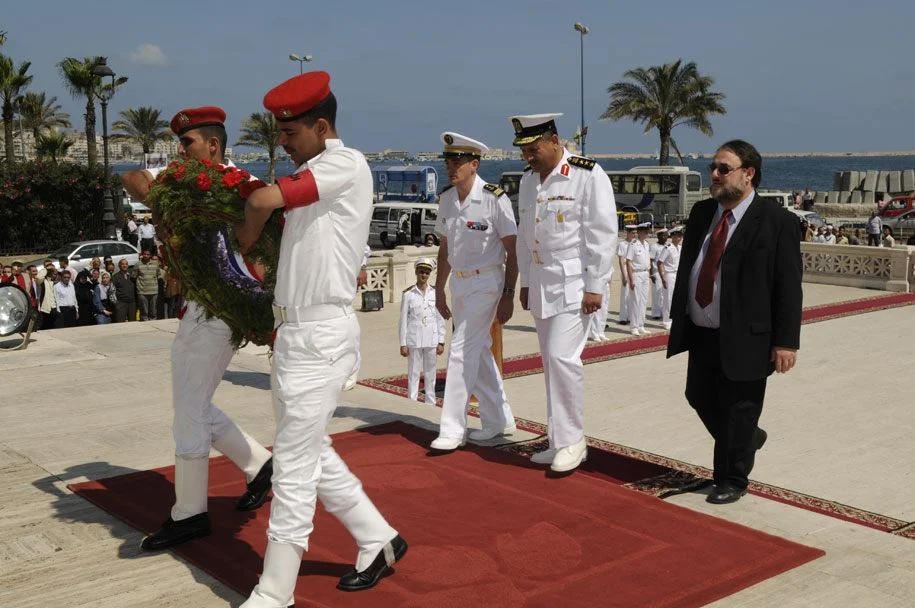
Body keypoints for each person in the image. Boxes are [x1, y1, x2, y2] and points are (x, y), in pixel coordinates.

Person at [234, 72, 406, 604]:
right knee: (307, 450)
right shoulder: (312, 170)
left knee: (293, 465)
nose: (281, 143)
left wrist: (242, 231)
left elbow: (262, 203)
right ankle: (377, 538)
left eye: (289, 133)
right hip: (294, 331)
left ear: (322, 125)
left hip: (322, 334)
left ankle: (274, 591)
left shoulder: (343, 163)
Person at [122, 107, 274, 552]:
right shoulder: (183, 182)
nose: (179, 151)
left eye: (187, 143)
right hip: (196, 307)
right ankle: (260, 465)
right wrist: (162, 200)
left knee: (188, 408)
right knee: (192, 402)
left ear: (213, 146)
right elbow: (132, 177)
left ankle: (190, 513)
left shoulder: (238, 187)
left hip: (224, 309)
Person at [667, 139, 802, 504]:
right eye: (713, 167)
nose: (713, 175)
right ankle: (748, 440)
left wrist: (786, 341)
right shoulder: (701, 214)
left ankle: (732, 479)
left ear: (748, 173)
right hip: (702, 330)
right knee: (698, 395)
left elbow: (788, 287)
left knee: (739, 409)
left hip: (748, 336)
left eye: (723, 169)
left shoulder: (778, 223)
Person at [511, 113, 617, 472]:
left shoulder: (587, 174)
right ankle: (558, 439)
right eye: (524, 150)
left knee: (562, 358)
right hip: (541, 282)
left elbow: (603, 233)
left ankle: (573, 441)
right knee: (550, 363)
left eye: (534, 148)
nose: (529, 156)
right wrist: (525, 282)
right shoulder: (529, 182)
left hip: (574, 282)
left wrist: (595, 286)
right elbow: (526, 236)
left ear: (555, 141)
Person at [431, 131, 518, 451]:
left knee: (462, 349)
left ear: (474, 164)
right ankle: (499, 420)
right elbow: (444, 249)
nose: (451, 167)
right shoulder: (447, 200)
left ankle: (453, 428)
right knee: (478, 349)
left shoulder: (495, 198)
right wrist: (438, 290)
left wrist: (508, 293)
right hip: (460, 283)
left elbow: (513, 248)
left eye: (458, 161)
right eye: (448, 161)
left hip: (487, 282)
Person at [399, 258, 445, 405]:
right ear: (416, 273)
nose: (423, 275)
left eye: (426, 272)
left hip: (431, 338)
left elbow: (440, 318)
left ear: (429, 274)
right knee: (413, 372)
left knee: (431, 372)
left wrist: (441, 340)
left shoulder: (435, 293)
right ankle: (411, 401)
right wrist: (403, 343)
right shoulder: (408, 295)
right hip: (414, 338)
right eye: (421, 272)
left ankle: (430, 402)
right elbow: (403, 321)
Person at [625, 223, 652, 336]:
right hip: (636, 274)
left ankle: (641, 325)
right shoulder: (633, 245)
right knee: (635, 300)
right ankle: (634, 326)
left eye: (647, 231)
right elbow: (628, 262)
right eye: (645, 231)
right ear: (639, 232)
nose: (647, 233)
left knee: (643, 300)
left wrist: (649, 275)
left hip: (645, 273)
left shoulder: (646, 244)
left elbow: (648, 261)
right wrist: (631, 279)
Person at [656, 226, 682, 330]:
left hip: (677, 274)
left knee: (676, 298)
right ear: (673, 236)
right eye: (677, 236)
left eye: (680, 236)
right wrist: (663, 278)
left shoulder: (680, 248)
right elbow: (659, 262)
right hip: (669, 274)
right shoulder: (668, 247)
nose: (679, 238)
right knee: (668, 298)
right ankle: (666, 320)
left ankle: (674, 318)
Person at [617, 226, 635, 324]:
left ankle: (630, 315)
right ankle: (623, 317)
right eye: (632, 233)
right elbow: (621, 260)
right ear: (627, 233)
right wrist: (624, 275)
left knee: (632, 294)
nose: (634, 234)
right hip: (625, 268)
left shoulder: (635, 244)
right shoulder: (622, 244)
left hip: (633, 269)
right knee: (625, 293)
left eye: (635, 233)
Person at [649, 228, 668, 319]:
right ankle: (656, 313)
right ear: (658, 236)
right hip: (656, 272)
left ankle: (663, 311)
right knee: (657, 293)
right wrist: (651, 274)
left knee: (664, 293)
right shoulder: (654, 246)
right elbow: (651, 260)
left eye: (666, 235)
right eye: (663, 235)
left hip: (665, 272)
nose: (665, 237)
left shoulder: (667, 246)